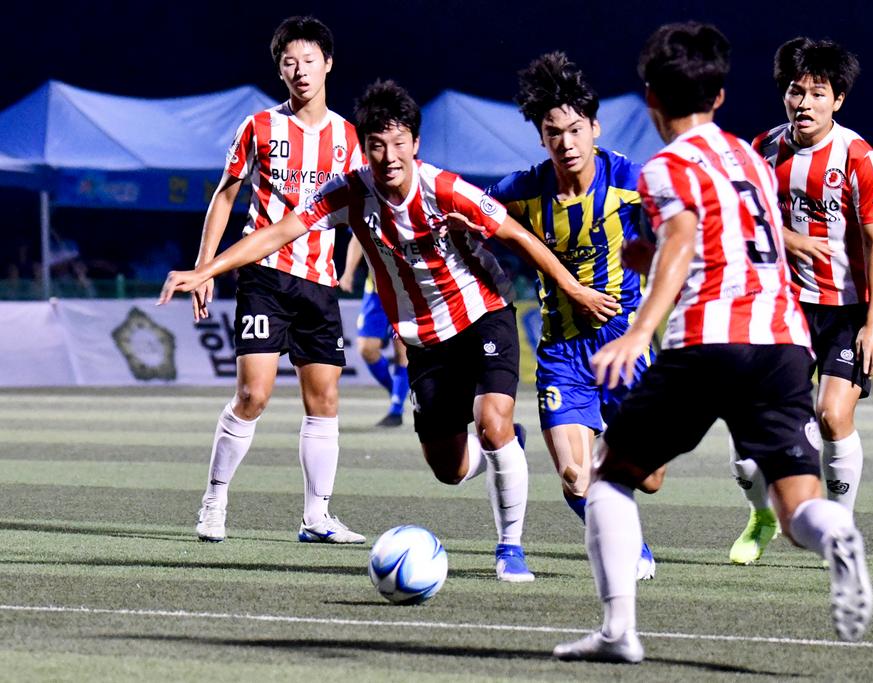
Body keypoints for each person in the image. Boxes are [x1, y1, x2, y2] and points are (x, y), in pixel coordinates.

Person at [159, 80, 620, 582]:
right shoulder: (350, 192)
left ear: (415, 145)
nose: (389, 155)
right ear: (364, 148)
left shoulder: (445, 190)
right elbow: (279, 231)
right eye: (376, 144)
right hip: (423, 338)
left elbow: (515, 234)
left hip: (483, 313)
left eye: (399, 142)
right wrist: (206, 270)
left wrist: (572, 288)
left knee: (492, 421)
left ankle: (510, 548)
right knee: (449, 469)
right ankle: (501, 449)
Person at [553, 22, 873, 663]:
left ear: (650, 98)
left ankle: (618, 633)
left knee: (608, 478)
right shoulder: (748, 155)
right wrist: (648, 252)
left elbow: (680, 242)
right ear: (720, 97)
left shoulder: (666, 166)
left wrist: (640, 330)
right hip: (783, 341)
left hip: (708, 339)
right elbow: (716, 237)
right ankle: (837, 530)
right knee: (795, 507)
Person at [186, 16, 366, 545]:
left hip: (319, 281)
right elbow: (225, 195)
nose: (300, 70)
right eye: (289, 62)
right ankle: (214, 500)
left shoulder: (349, 139)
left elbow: (360, 215)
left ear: (328, 64)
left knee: (325, 401)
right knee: (254, 394)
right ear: (280, 70)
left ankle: (316, 518)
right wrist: (205, 266)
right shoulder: (259, 126)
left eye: (309, 60)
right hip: (264, 275)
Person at [487, 52, 659, 581]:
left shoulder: (630, 177)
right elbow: (464, 217)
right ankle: (625, 538)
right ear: (541, 137)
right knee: (573, 476)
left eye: (575, 129)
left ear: (594, 128)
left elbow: (678, 229)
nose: (566, 142)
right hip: (563, 350)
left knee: (650, 478)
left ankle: (612, 450)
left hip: (624, 343)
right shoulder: (522, 191)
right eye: (553, 131)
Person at [727, 36, 873, 566]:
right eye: (796, 91)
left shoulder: (862, 160)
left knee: (831, 416)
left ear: (838, 99)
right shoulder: (762, 149)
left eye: (817, 93)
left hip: (844, 309)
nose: (804, 103)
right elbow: (742, 220)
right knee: (752, 425)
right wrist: (792, 241)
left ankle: (839, 525)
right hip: (782, 306)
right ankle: (762, 515)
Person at [339, 236, 409, 426]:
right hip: (376, 292)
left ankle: (396, 409)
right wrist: (348, 273)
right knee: (366, 348)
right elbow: (357, 237)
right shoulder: (370, 208)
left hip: (407, 290)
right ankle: (397, 390)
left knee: (402, 349)